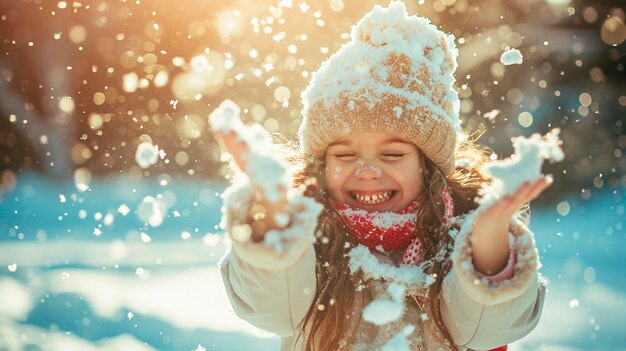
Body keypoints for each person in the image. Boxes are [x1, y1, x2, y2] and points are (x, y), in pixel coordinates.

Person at [213, 2, 550, 350]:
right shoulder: (308, 240)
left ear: (428, 166)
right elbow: (272, 308)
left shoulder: (458, 234)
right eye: (345, 155)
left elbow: (486, 329)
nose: (369, 171)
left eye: (392, 154)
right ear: (322, 166)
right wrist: (272, 217)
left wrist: (488, 239)